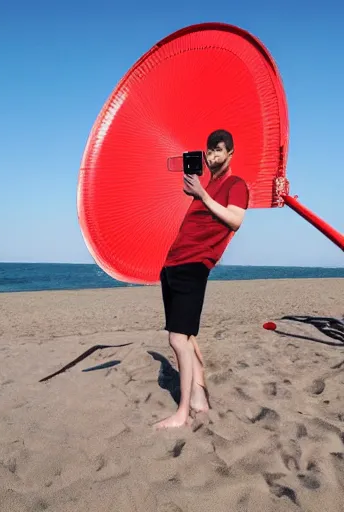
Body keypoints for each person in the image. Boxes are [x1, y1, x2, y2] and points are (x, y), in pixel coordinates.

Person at [154, 129, 249, 429]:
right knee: (186, 335)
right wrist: (200, 192)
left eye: (218, 150)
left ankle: (182, 414)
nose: (211, 156)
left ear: (230, 153)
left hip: (193, 265)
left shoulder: (236, 184)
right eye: (208, 151)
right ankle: (199, 398)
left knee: (177, 339)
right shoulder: (206, 186)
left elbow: (235, 219)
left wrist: (202, 194)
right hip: (173, 264)